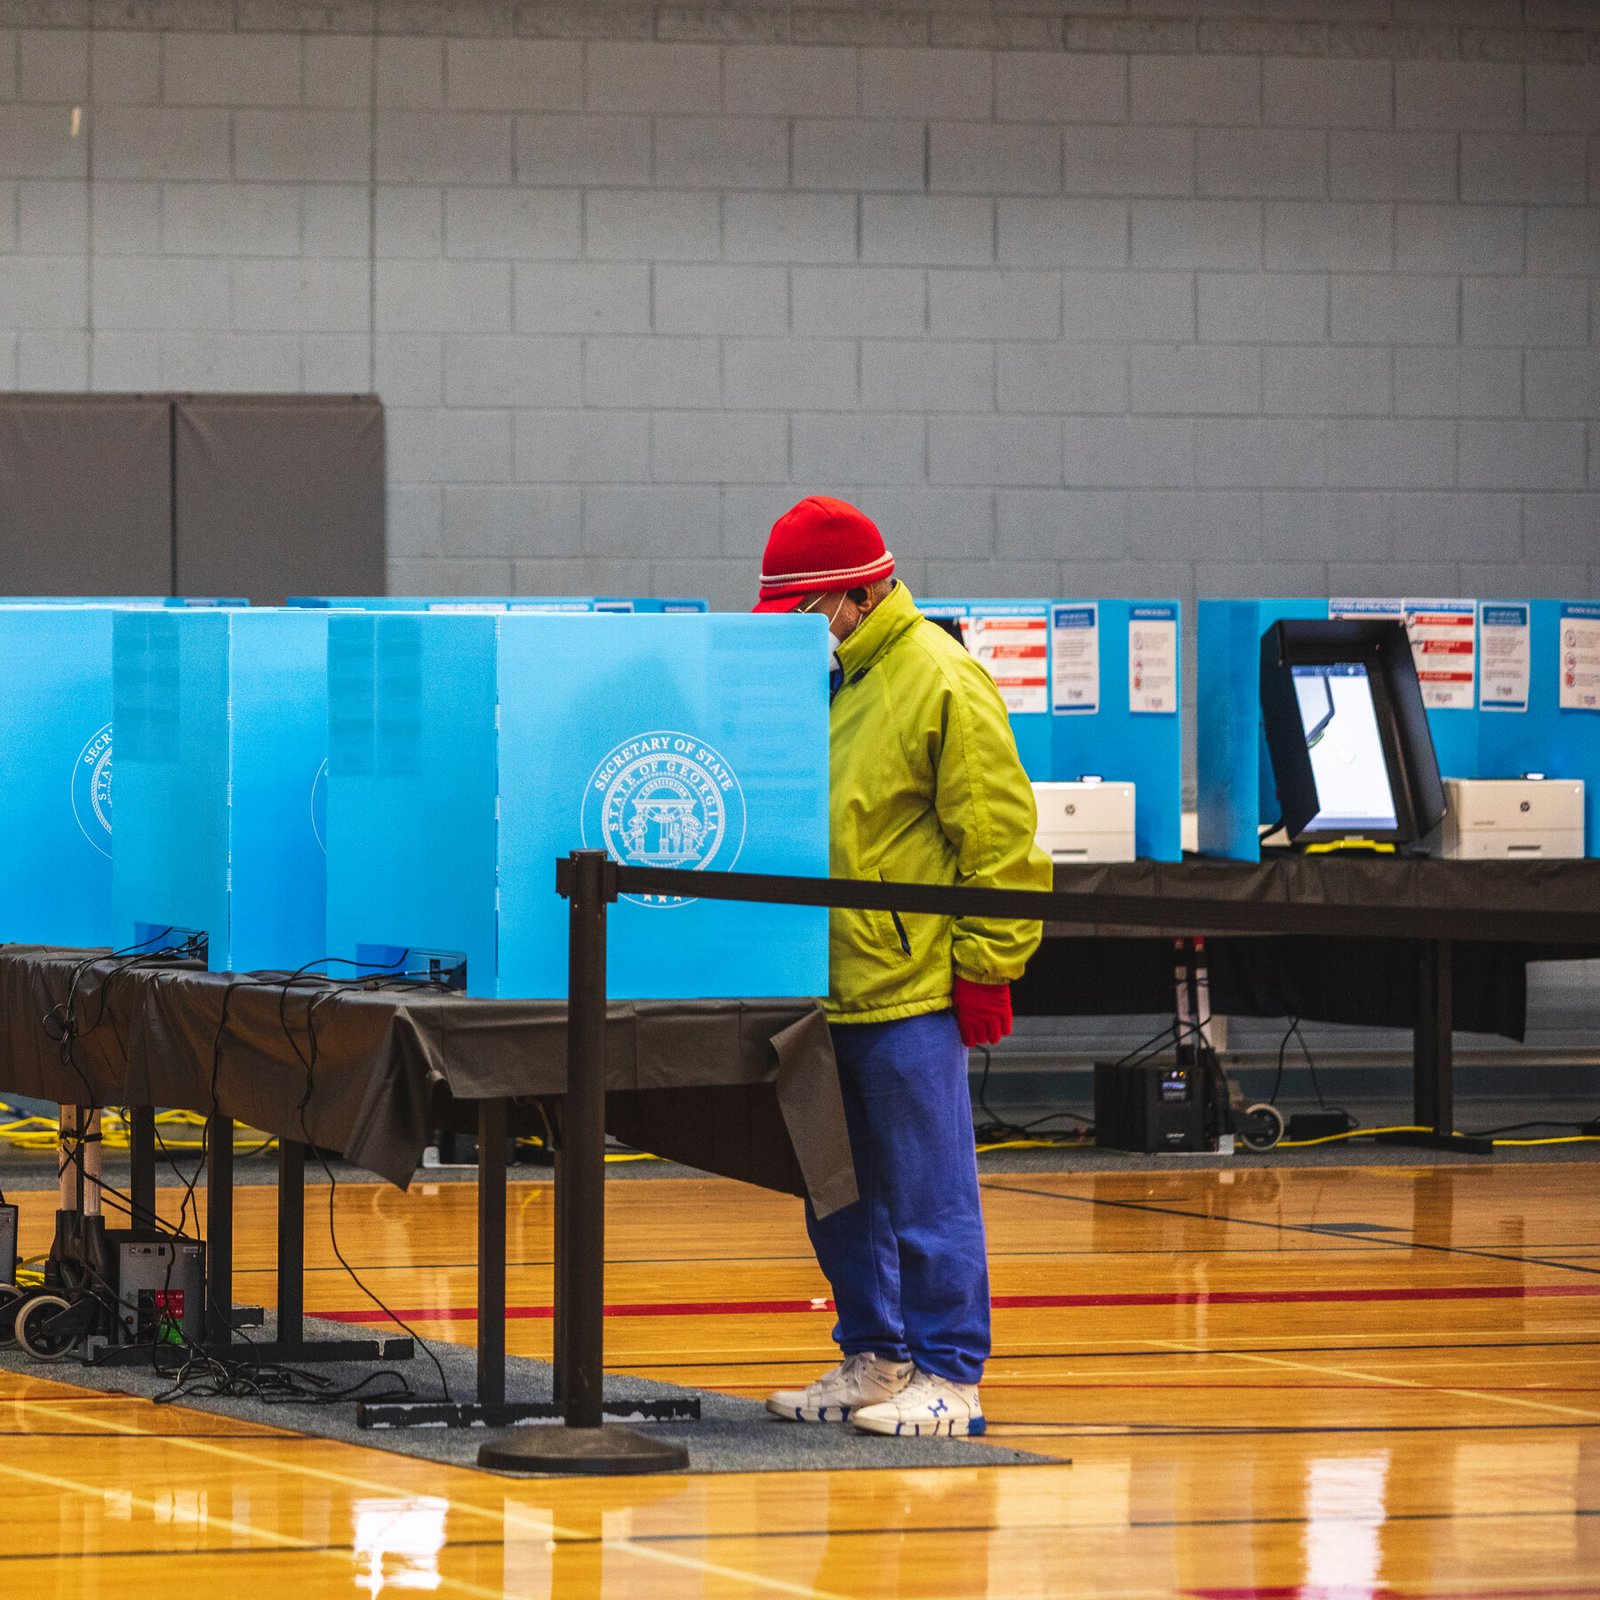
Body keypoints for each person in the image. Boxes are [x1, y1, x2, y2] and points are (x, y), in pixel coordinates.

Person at [752, 495, 1051, 1438]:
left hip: (908, 992)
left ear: (857, 594)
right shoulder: (826, 680)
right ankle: (876, 1358)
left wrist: (987, 969)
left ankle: (952, 1376)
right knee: (837, 1201)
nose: (795, 630)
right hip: (820, 992)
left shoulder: (941, 679)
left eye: (804, 610)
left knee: (929, 1198)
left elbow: (1001, 844)